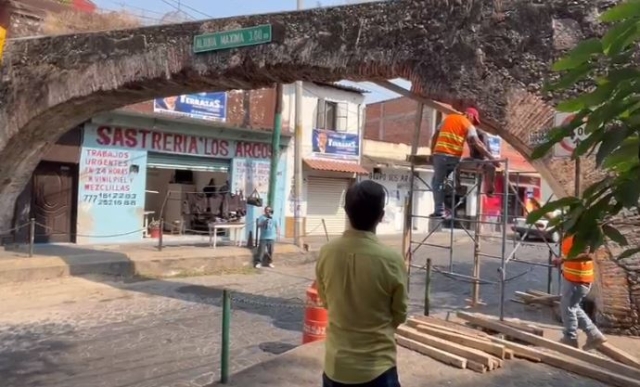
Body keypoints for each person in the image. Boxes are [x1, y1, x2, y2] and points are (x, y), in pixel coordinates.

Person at [316, 180, 408, 387]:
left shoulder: (326, 252)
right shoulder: (392, 260)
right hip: (378, 368)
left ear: (346, 212)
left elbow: (325, 301)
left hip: (336, 367)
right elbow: (400, 314)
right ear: (381, 216)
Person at [531, 199, 606, 350]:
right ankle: (594, 335)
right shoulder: (572, 229)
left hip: (579, 278)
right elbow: (556, 222)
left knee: (568, 308)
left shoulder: (585, 233)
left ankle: (570, 338)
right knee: (572, 306)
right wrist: (541, 209)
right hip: (573, 276)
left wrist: (563, 259)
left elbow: (587, 255)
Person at [430, 108, 499, 218]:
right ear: (471, 116)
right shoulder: (468, 125)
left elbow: (435, 137)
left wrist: (432, 152)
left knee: (437, 182)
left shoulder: (448, 119)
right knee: (445, 180)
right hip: (454, 157)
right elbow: (478, 144)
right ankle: (450, 201)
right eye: (474, 121)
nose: (474, 124)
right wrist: (492, 158)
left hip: (440, 154)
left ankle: (440, 211)